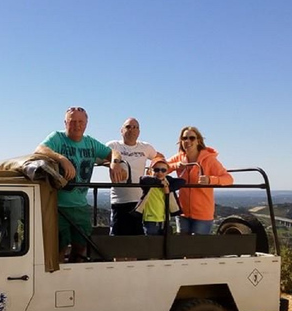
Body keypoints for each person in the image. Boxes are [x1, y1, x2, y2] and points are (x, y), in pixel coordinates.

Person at [35, 107, 126, 262]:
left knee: (81, 247)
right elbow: (39, 150)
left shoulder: (90, 142)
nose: (77, 125)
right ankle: (56, 282)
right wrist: (62, 159)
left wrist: (115, 163)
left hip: (80, 206)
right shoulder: (57, 138)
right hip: (58, 205)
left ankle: (73, 282)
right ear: (65, 123)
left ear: (86, 123)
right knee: (58, 247)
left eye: (81, 122)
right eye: (73, 121)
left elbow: (113, 152)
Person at [166, 126, 233, 234]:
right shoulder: (179, 157)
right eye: (184, 138)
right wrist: (175, 166)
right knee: (182, 247)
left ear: (198, 141)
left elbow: (228, 179)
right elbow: (158, 168)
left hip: (203, 214)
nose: (187, 141)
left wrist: (210, 180)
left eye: (191, 138)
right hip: (182, 213)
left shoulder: (209, 160)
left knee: (198, 249)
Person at [106, 118, 165, 235]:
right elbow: (98, 159)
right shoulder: (113, 146)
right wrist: (114, 165)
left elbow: (160, 158)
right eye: (128, 127)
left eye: (135, 127)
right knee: (117, 240)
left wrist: (153, 171)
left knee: (138, 241)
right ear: (121, 130)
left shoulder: (145, 147)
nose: (132, 130)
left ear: (139, 132)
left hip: (140, 202)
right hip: (119, 201)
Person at [136, 158, 185, 235]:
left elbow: (182, 181)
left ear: (167, 172)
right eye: (156, 170)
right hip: (150, 219)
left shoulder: (168, 181)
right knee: (151, 243)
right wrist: (161, 183)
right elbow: (143, 180)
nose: (160, 172)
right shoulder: (148, 182)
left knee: (163, 244)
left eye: (163, 170)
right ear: (150, 171)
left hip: (164, 219)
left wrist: (168, 189)